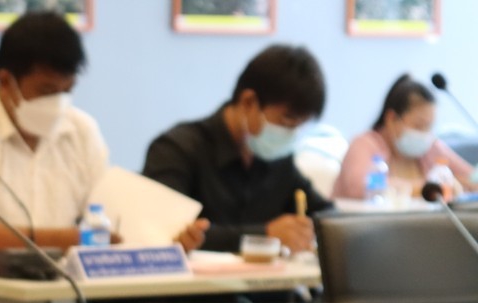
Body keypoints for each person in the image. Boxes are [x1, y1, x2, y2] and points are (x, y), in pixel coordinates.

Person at [0, 11, 206, 254]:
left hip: (58, 288)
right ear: (5, 81)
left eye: (67, 90)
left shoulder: (81, 130)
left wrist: (164, 242)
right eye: (47, 90)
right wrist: (67, 240)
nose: (57, 102)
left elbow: (110, 221)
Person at [142, 45, 331, 255]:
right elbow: (162, 229)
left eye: (300, 126)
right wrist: (264, 235)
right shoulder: (177, 149)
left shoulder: (278, 159)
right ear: (248, 102)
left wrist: (307, 231)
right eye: (287, 121)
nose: (291, 134)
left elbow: (327, 214)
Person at [332, 74, 476, 201]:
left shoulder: (431, 147)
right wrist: (427, 188)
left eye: (429, 127)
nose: (424, 134)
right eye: (418, 126)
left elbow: (472, 178)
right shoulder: (364, 144)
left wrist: (459, 184)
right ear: (391, 119)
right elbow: (360, 188)